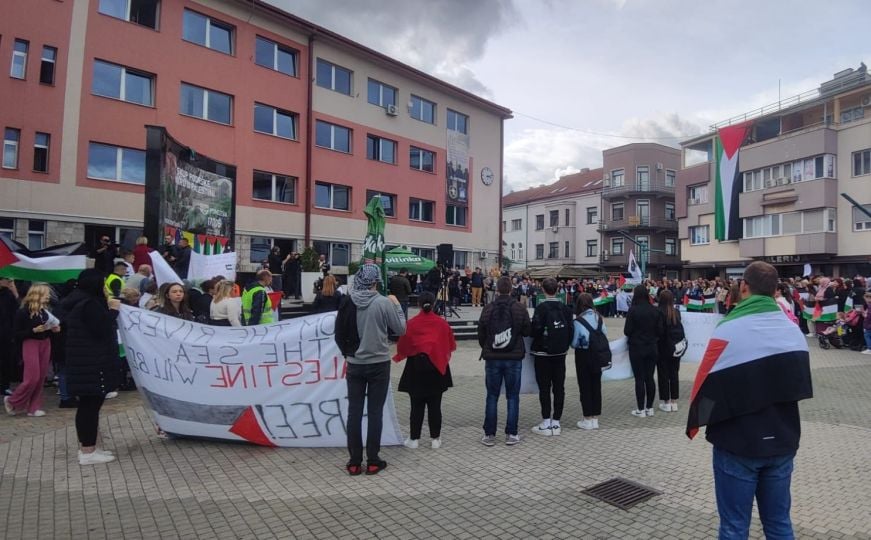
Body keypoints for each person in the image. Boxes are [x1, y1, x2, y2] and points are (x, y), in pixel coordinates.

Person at [687, 261, 812, 539]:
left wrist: (697, 419)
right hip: (782, 439)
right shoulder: (793, 331)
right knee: (780, 523)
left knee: (734, 527)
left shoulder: (728, 329)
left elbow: (705, 386)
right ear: (774, 289)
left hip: (737, 443)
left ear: (743, 286)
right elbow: (798, 384)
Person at [344, 264, 406, 476]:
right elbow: (401, 329)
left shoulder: (348, 301)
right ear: (375, 281)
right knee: (375, 412)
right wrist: (397, 306)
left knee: (354, 412)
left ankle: (353, 461)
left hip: (354, 364)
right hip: (379, 363)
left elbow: (338, 331)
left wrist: (347, 353)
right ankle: (372, 459)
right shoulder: (383, 302)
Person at [62, 269, 122, 465]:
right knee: (89, 406)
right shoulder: (89, 304)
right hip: (91, 362)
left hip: (84, 361)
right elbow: (101, 328)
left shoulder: (79, 301)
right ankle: (87, 451)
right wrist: (113, 311)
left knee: (90, 406)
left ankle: (89, 447)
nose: (105, 287)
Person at [393, 292, 455, 449]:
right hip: (436, 368)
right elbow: (450, 345)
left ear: (419, 305)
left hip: (416, 368)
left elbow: (403, 345)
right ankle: (435, 439)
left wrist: (401, 355)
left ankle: (414, 439)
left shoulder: (412, 323)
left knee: (416, 405)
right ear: (433, 304)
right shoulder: (442, 324)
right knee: (435, 406)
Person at [477, 276, 531, 446]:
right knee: (513, 396)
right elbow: (527, 331)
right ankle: (511, 434)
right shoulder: (520, 308)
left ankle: (489, 434)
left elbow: (481, 333)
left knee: (492, 396)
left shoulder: (487, 308)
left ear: (497, 289)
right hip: (514, 358)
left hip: (492, 358)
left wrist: (489, 346)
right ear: (512, 289)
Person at [4, 284, 58, 417]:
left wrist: (53, 329)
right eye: (45, 294)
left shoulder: (44, 312)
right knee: (32, 377)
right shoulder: (23, 312)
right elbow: (16, 334)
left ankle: (34, 407)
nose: (47, 297)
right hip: (30, 343)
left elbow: (52, 325)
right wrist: (32, 331)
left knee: (40, 377)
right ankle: (13, 400)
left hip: (45, 342)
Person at [529, 277, 574, 437]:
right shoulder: (565, 308)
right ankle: (556, 422)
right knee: (559, 387)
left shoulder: (541, 308)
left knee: (544, 388)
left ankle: (546, 421)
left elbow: (535, 330)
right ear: (557, 289)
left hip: (542, 353)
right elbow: (571, 330)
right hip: (560, 353)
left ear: (542, 290)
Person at [624, 284, 664, 418]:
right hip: (652, 347)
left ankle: (640, 409)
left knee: (639, 378)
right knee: (650, 377)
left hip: (636, 347)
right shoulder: (655, 310)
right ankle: (650, 408)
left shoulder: (633, 310)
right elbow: (660, 331)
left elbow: (627, 331)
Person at [572, 293, 606, 430]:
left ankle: (587, 418)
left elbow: (574, 342)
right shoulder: (599, 318)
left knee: (585, 386)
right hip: (598, 355)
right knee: (596, 386)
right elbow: (604, 334)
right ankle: (595, 419)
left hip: (583, 355)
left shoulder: (578, 321)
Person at [656, 290, 684, 413]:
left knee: (663, 374)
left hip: (662, 348)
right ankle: (674, 401)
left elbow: (659, 331)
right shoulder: (676, 312)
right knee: (674, 374)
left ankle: (666, 402)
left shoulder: (658, 312)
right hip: (676, 348)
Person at [0, 277, 19, 396]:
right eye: (5, 279)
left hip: (5, 334)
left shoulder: (8, 295)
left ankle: (4, 385)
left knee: (5, 360)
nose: (8, 282)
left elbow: (15, 313)